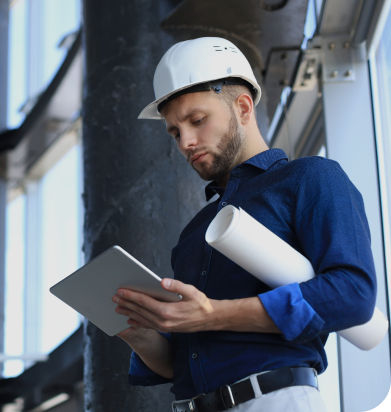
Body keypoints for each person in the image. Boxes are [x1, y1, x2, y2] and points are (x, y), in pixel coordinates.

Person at [112, 37, 377, 412]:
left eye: (197, 121)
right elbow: (179, 364)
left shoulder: (310, 179)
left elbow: (353, 295)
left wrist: (213, 314)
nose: (186, 141)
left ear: (243, 106)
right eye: (174, 131)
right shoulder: (194, 235)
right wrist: (140, 332)